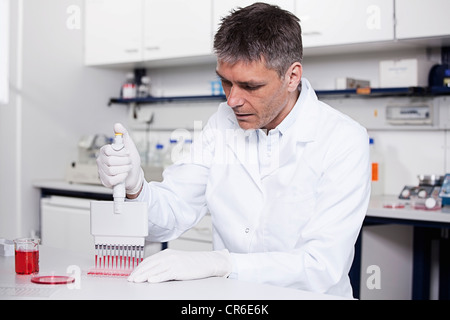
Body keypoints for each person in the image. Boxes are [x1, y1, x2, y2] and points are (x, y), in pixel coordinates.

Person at [97, 2, 370, 298]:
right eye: (225, 82)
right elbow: (172, 214)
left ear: (292, 77)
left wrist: (222, 263)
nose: (232, 100)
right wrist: (136, 186)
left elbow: (321, 267)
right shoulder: (222, 124)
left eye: (250, 86)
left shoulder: (342, 139)